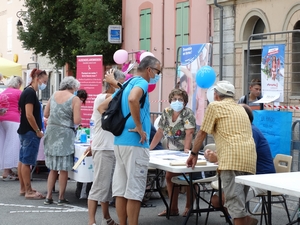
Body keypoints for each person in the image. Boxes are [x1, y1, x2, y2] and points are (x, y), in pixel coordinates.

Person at [98, 56, 161, 225]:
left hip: (120, 141)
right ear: (149, 70)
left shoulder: (126, 84)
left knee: (120, 189)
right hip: (135, 143)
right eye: (158, 71)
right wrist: (139, 126)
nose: (158, 75)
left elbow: (101, 107)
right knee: (134, 190)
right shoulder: (142, 83)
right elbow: (133, 99)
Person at [186, 80, 258, 225]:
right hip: (249, 158)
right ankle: (247, 221)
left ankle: (246, 221)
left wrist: (193, 154)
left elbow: (202, 133)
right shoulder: (240, 108)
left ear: (216, 95)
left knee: (235, 206)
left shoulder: (215, 106)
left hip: (232, 160)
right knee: (238, 205)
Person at [206, 104, 275, 209]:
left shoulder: (251, 131)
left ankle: (239, 218)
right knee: (217, 200)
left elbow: (241, 156)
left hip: (260, 178)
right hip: (244, 177)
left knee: (223, 199)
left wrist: (218, 158)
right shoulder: (241, 132)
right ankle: (244, 219)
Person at [86, 69, 125, 225]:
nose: (121, 86)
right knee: (99, 186)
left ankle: (106, 217)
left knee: (107, 187)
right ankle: (91, 221)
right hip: (103, 148)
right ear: (112, 83)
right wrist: (120, 86)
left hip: (110, 147)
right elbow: (121, 94)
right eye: (119, 82)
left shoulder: (112, 97)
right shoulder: (104, 98)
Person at [149, 88, 196, 217]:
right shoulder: (167, 112)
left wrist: (186, 151)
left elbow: (189, 133)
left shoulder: (188, 114)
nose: (177, 101)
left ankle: (189, 207)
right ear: (170, 100)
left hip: (186, 151)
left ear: (185, 102)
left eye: (180, 99)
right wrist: (150, 149)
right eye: (174, 99)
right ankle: (173, 208)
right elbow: (159, 132)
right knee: (170, 177)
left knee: (189, 178)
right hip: (171, 151)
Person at [43, 76, 81, 205]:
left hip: (52, 132)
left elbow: (46, 113)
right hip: (65, 134)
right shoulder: (74, 99)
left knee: (53, 167)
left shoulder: (53, 95)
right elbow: (76, 121)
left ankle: (48, 196)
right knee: (63, 168)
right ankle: (61, 196)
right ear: (73, 87)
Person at [17, 69, 48, 199]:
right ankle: (28, 190)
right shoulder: (30, 93)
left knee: (23, 160)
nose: (45, 84)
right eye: (44, 81)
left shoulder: (26, 91)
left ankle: (24, 188)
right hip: (30, 131)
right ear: (37, 78)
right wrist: (37, 131)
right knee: (27, 161)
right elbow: (29, 115)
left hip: (25, 130)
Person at [0, 76, 23, 180]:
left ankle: (6, 169)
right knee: (12, 144)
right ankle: (7, 171)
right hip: (14, 119)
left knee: (4, 144)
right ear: (18, 84)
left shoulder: (3, 92)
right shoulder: (18, 92)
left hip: (2, 119)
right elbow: (23, 107)